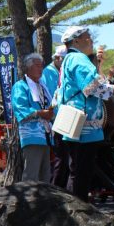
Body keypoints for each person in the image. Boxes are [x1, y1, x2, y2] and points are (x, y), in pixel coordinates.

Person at [57, 26, 114, 202]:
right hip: (84, 128)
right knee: (82, 172)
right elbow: (90, 87)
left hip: (77, 125)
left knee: (77, 171)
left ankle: (74, 209)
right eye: (87, 36)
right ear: (75, 41)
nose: (91, 40)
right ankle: (78, 210)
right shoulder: (78, 59)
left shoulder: (69, 59)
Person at [11, 53, 55, 182]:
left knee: (45, 174)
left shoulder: (42, 86)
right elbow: (20, 108)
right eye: (37, 66)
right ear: (28, 68)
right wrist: (41, 113)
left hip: (46, 134)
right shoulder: (21, 86)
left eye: (42, 66)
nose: (41, 69)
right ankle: (30, 201)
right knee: (32, 173)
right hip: (32, 135)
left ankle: (42, 200)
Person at [45, 45, 70, 187]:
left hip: (62, 117)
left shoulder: (60, 70)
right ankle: (57, 188)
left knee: (64, 158)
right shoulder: (49, 72)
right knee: (60, 158)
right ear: (58, 58)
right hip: (56, 118)